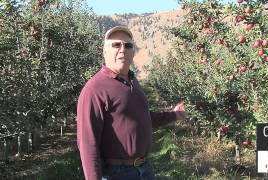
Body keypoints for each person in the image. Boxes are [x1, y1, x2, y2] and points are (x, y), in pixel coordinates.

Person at [77, 26, 186, 180]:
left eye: (128, 45)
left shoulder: (133, 81)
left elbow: (143, 118)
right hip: (117, 173)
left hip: (144, 169)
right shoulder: (95, 89)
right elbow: (88, 144)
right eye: (116, 45)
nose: (123, 49)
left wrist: (174, 115)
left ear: (133, 52)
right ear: (104, 51)